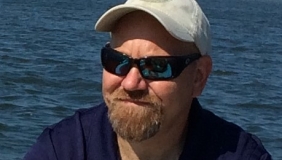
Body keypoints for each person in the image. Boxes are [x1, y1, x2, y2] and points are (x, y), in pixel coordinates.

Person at [24, 0, 272, 159]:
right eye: (116, 61)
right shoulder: (64, 149)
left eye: (157, 67)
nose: (131, 83)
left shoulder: (241, 155)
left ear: (199, 77)